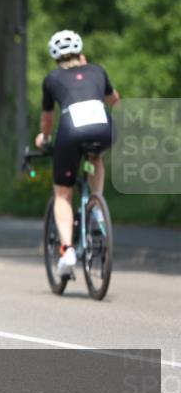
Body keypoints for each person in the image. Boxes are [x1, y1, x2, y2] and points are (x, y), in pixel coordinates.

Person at [34, 30, 120, 278]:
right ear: (81, 55)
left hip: (72, 129)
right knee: (95, 158)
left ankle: (67, 250)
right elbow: (115, 100)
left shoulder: (52, 78)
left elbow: (47, 118)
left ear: (55, 58)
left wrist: (45, 138)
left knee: (62, 193)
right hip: (104, 127)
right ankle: (96, 204)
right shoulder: (97, 70)